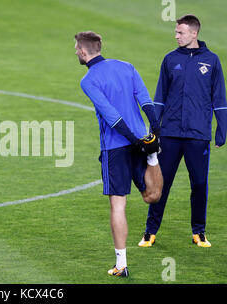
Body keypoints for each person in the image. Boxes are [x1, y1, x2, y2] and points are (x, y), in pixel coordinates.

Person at [75, 31, 163, 277]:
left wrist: (134, 141)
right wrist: (154, 132)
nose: (75, 52)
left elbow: (110, 115)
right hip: (142, 141)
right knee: (152, 196)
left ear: (84, 51)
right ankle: (154, 157)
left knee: (118, 205)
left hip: (116, 148)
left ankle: (121, 264)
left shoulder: (89, 80)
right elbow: (145, 100)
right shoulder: (127, 67)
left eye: (76, 49)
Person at [138, 15, 227, 248]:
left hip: (198, 135)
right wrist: (154, 129)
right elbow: (160, 97)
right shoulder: (169, 59)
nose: (176, 36)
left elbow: (218, 98)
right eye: (176, 32)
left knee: (199, 184)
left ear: (194, 33)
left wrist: (222, 129)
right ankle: (150, 232)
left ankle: (199, 232)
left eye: (180, 32)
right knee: (161, 184)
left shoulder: (212, 61)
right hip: (169, 133)